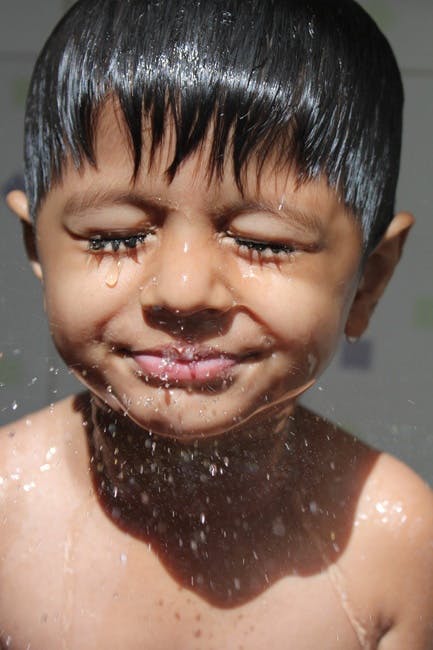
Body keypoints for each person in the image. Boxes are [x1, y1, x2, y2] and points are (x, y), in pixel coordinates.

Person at [2, 0, 432, 648]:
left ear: (368, 278)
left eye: (265, 242)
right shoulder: (5, 512)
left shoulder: (394, 543)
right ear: (39, 250)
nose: (181, 291)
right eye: (114, 236)